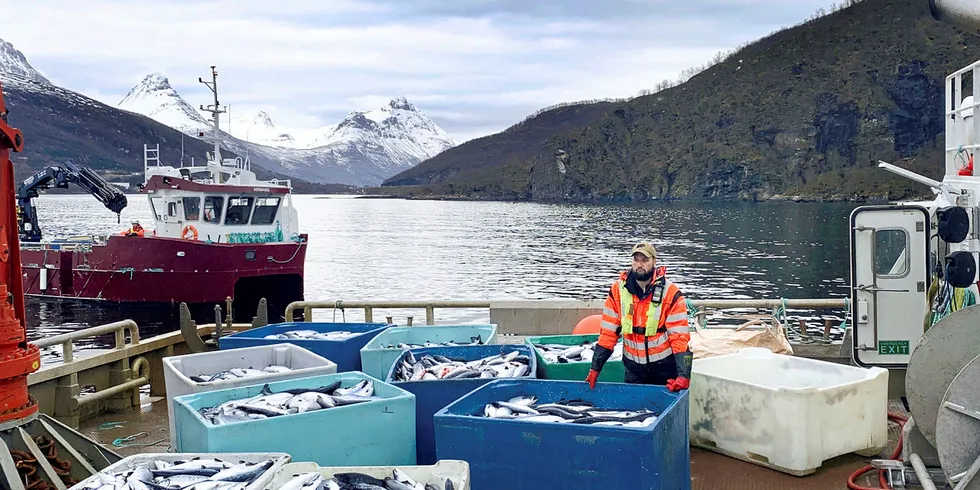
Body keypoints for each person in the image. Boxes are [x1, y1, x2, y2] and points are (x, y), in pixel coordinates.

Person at [586, 242, 692, 392]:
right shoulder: (617, 290)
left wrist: (683, 376)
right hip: (633, 369)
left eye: (644, 260)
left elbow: (679, 336)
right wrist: (595, 368)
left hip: (664, 370)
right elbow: (608, 332)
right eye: (636, 260)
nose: (639, 264)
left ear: (654, 262)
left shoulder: (671, 292)